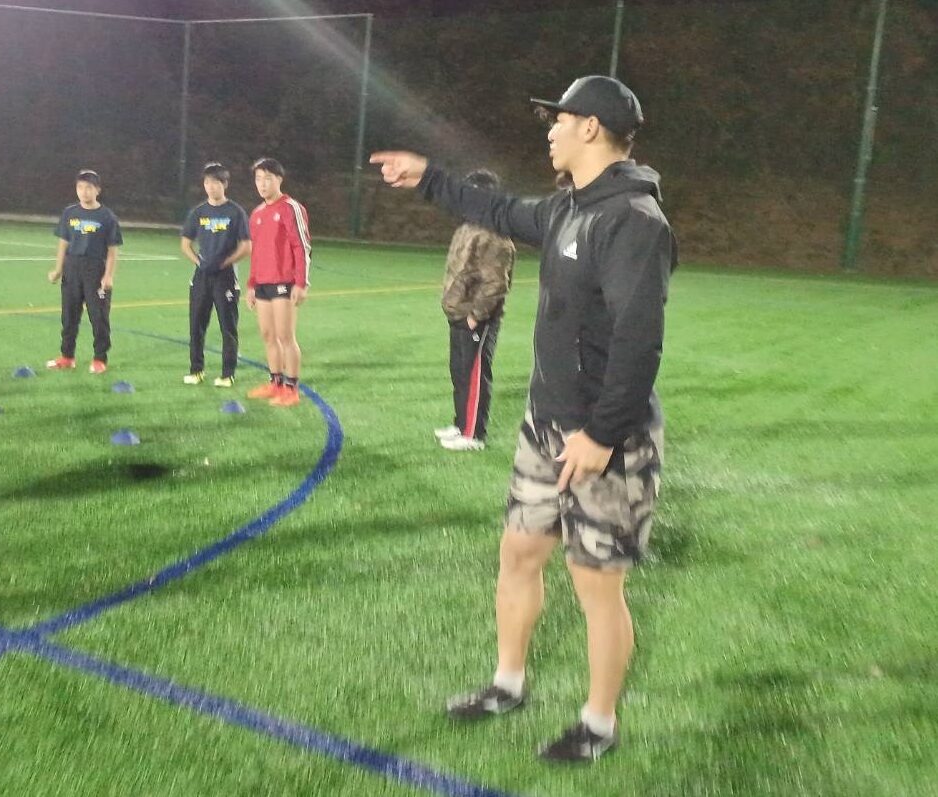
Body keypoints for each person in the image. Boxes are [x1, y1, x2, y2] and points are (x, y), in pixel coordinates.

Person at [371, 75, 677, 763]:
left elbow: (639, 342)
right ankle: (507, 683)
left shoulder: (633, 221)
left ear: (591, 128)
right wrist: (428, 178)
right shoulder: (570, 207)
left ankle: (598, 722)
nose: (550, 130)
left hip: (606, 439)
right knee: (518, 554)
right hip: (545, 426)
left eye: (559, 119)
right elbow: (501, 209)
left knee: (596, 585)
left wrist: (601, 435)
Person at [434, 168, 515, 451]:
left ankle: (473, 435)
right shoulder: (467, 227)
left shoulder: (494, 235)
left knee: (474, 375)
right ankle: (461, 424)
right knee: (459, 372)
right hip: (458, 313)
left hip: (476, 318)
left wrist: (476, 315)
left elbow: (496, 283)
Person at [244, 157, 311, 408]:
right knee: (268, 334)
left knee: (285, 336)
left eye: (268, 178)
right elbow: (256, 252)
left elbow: (301, 247)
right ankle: (275, 382)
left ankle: (291, 388)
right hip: (262, 283)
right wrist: (251, 285)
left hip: (284, 282)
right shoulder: (256, 214)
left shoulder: (291, 208)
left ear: (279, 180)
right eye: (258, 179)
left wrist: (301, 283)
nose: (262, 184)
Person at [180, 162, 251, 387]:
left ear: (225, 184)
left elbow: (247, 246)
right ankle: (196, 370)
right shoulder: (198, 212)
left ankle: (227, 374)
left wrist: (225, 263)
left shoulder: (235, 212)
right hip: (201, 277)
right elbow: (185, 243)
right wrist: (198, 262)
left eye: (216, 183)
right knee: (196, 325)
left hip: (226, 277)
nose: (211, 187)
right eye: (208, 183)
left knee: (227, 327)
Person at [47, 169, 122, 374]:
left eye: (88, 187)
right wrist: (58, 269)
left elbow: (112, 250)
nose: (84, 191)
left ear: (97, 190)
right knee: (69, 315)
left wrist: (108, 276)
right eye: (80, 187)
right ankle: (67, 356)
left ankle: (99, 359)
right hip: (72, 268)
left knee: (98, 317)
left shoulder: (107, 217)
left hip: (95, 269)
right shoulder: (70, 213)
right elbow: (63, 243)